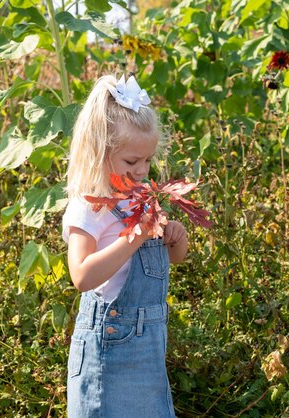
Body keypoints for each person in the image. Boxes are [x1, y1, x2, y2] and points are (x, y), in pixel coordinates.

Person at [62, 74, 188, 417]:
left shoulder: (141, 202)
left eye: (147, 162)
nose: (142, 171)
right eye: (131, 162)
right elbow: (82, 276)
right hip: (108, 348)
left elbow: (172, 260)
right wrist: (135, 236)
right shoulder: (88, 207)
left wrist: (175, 237)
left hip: (148, 351)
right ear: (99, 152)